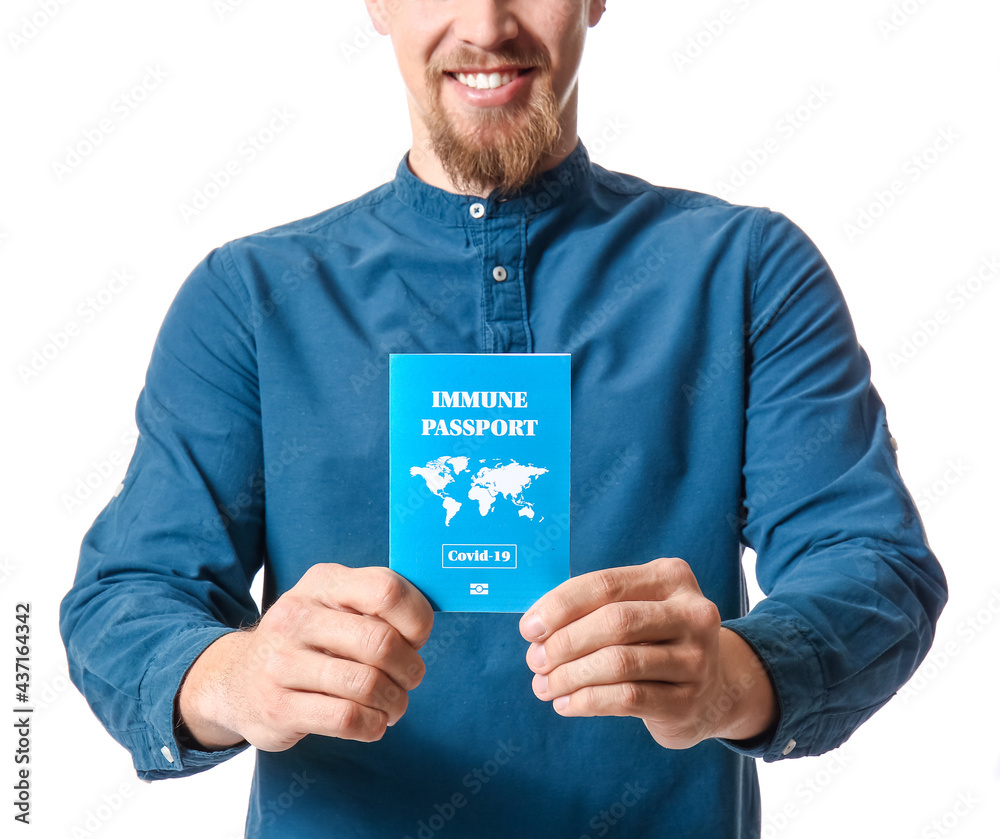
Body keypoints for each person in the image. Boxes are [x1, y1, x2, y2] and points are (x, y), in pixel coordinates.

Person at [60, 1, 947, 836]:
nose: (488, 25)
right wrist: (235, 678)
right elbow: (126, 599)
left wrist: (732, 678)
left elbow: (873, 566)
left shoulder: (747, 270)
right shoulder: (249, 297)